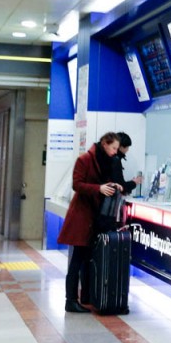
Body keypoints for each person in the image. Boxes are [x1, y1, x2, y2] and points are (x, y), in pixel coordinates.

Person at [57, 132, 122, 313]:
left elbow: (101, 182)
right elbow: (77, 184)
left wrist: (113, 186)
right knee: (77, 260)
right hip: (81, 216)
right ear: (104, 144)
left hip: (93, 217)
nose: (115, 152)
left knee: (86, 259)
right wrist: (99, 188)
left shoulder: (104, 161)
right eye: (114, 148)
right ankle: (70, 300)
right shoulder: (85, 159)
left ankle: (85, 296)